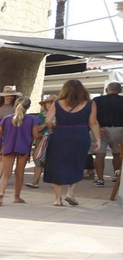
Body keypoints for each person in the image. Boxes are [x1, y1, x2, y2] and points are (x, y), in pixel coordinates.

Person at [43, 79, 103, 207]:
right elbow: (93, 123)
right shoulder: (90, 104)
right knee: (77, 162)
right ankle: (70, 193)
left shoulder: (57, 103)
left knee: (57, 164)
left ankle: (57, 199)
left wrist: (53, 128)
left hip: (60, 135)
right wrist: (98, 139)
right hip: (80, 135)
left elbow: (48, 120)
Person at [0, 96, 39, 206]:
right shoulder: (33, 119)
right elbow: (35, 135)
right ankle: (17, 197)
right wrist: (42, 137)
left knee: (6, 173)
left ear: (15, 105)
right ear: (28, 107)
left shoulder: (6, 119)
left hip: (8, 146)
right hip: (23, 148)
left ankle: (1, 193)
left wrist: (6, 135)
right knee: (19, 173)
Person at [94, 81, 123, 186]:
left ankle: (100, 180)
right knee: (118, 154)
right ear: (120, 91)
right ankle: (116, 177)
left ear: (107, 90)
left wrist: (98, 128)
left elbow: (92, 117)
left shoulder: (97, 100)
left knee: (100, 155)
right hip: (119, 130)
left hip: (100, 129)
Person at [28, 93, 57, 188]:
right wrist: (46, 124)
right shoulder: (41, 116)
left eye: (52, 102)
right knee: (38, 162)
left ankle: (55, 182)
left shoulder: (60, 115)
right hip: (41, 140)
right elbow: (36, 130)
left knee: (54, 161)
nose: (49, 104)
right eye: (47, 102)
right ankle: (35, 182)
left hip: (54, 141)